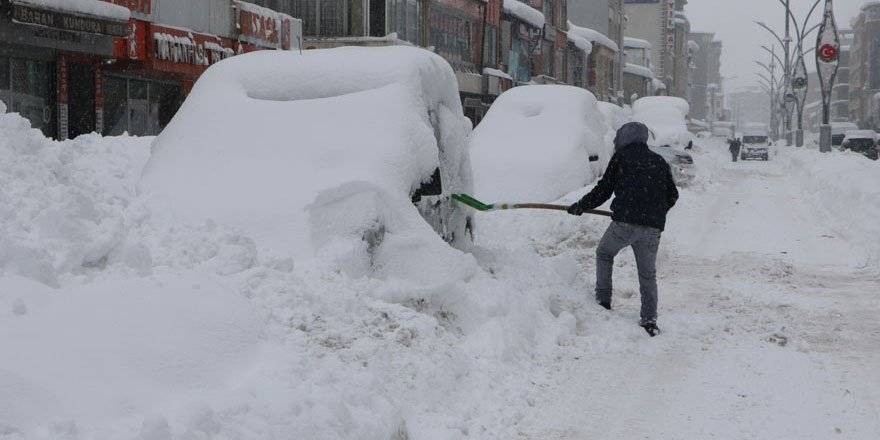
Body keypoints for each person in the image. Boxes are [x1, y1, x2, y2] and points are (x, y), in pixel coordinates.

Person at [567, 122, 679, 337]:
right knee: (648, 274)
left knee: (604, 253)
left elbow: (604, 190)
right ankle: (649, 319)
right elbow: (672, 195)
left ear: (624, 138)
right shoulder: (658, 161)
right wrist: (655, 211)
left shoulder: (622, 158)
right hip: (652, 228)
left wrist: (581, 205)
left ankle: (603, 301)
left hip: (625, 224)